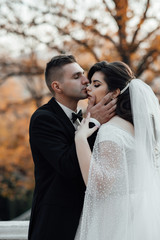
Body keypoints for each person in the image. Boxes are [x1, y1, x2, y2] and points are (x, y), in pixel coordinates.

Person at [28, 55, 117, 240]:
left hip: (90, 221)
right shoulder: (44, 119)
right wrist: (93, 123)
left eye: (83, 74)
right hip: (56, 225)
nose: (86, 81)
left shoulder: (85, 116)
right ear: (57, 87)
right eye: (76, 77)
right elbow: (67, 167)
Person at [74, 61, 160, 240]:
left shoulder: (111, 130)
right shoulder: (138, 126)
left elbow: (100, 187)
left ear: (114, 92)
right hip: (140, 214)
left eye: (96, 84)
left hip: (115, 218)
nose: (88, 88)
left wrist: (80, 139)